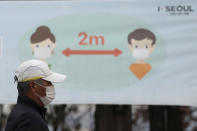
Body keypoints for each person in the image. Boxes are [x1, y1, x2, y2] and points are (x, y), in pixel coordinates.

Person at [5, 59, 66, 131]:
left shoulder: (24, 112)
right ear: (33, 86)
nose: (51, 86)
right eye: (48, 82)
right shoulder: (29, 119)